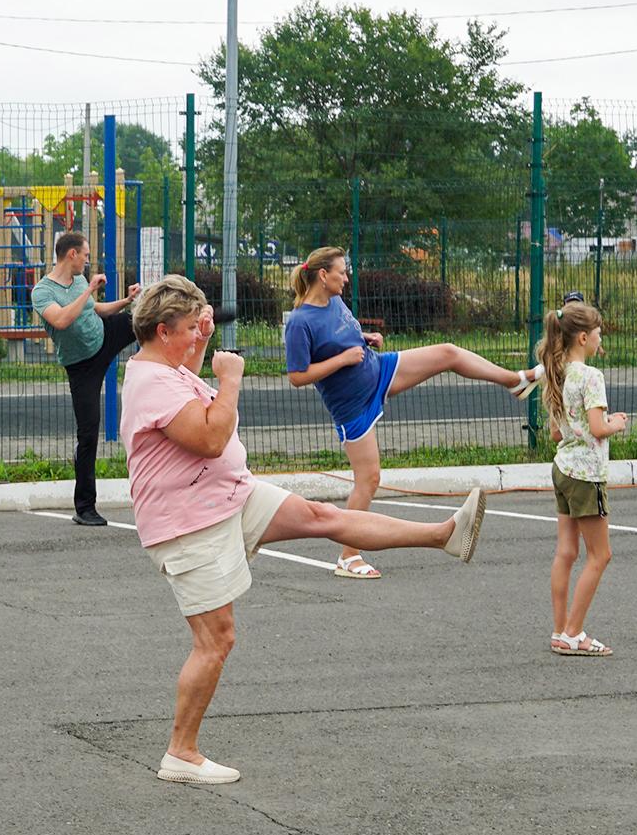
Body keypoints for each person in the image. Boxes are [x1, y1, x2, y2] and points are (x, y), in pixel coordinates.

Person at [119, 276, 486, 786]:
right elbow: (208, 436)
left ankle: (443, 534)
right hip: (189, 525)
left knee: (322, 517)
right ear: (162, 331)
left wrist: (201, 339)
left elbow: (196, 387)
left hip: (228, 498)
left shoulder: (168, 365)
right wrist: (231, 379)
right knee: (216, 639)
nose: (198, 338)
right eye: (190, 330)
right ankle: (181, 752)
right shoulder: (151, 382)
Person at [283, 246, 541, 578]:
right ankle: (348, 556)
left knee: (447, 353)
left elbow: (338, 336)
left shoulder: (334, 301)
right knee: (369, 479)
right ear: (323, 275)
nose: (346, 278)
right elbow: (297, 376)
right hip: (351, 407)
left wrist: (363, 337)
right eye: (342, 272)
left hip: (379, 371)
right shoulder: (300, 322)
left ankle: (514, 381)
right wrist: (343, 360)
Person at [30, 231, 140, 526]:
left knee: (145, 320)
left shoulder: (80, 281)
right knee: (88, 433)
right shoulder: (42, 291)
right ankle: (85, 507)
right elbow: (63, 319)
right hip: (81, 366)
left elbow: (96, 310)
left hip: (105, 337)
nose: (88, 260)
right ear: (72, 255)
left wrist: (127, 301)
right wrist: (89, 289)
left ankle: (200, 321)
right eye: (86, 255)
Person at [537, 299, 628, 656]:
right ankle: (574, 633)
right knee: (600, 555)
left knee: (566, 551)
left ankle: (561, 628)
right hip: (587, 474)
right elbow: (596, 428)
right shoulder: (591, 376)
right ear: (584, 337)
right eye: (599, 333)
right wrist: (615, 424)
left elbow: (557, 434)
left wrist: (587, 427)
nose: (600, 338)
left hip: (562, 469)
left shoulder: (555, 371)